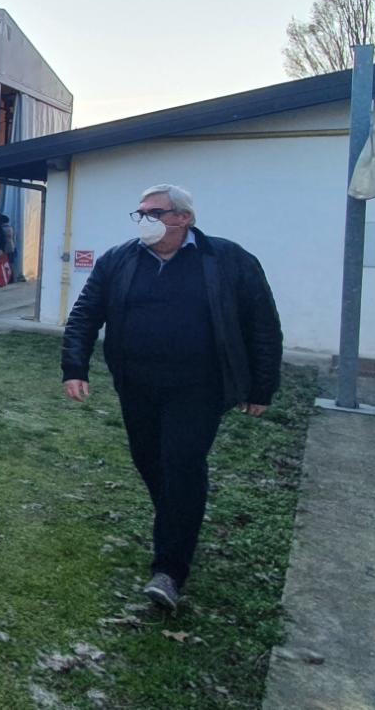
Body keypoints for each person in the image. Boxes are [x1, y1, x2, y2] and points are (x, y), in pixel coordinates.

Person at [60, 184, 282, 612]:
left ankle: (170, 568)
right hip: (138, 384)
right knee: (150, 461)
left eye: (154, 212)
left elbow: (262, 324)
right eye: (139, 212)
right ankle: (180, 519)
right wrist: (75, 367)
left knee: (181, 462)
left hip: (199, 387)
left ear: (183, 218)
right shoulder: (119, 259)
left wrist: (261, 386)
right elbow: (86, 313)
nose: (144, 219)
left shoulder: (227, 260)